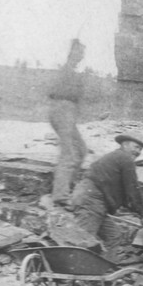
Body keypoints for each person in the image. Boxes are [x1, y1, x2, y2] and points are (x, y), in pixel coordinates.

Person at [70, 132, 143, 256]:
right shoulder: (125, 158)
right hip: (91, 201)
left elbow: (125, 194)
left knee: (114, 236)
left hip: (95, 203)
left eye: (141, 149)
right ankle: (69, 270)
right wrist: (142, 214)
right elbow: (132, 189)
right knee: (83, 241)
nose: (138, 152)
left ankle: (105, 270)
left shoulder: (116, 158)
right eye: (136, 147)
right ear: (125, 145)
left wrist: (139, 210)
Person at [49, 38, 87, 206]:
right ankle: (60, 196)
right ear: (72, 53)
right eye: (79, 52)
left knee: (81, 150)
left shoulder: (71, 70)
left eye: (82, 53)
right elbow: (58, 94)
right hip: (63, 111)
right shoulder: (66, 70)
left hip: (66, 112)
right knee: (69, 154)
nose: (81, 56)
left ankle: (66, 186)